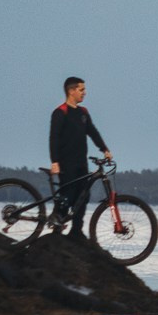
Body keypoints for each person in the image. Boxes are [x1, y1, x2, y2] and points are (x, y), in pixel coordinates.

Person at [49, 76, 111, 226]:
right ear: (71, 91)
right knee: (68, 195)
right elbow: (54, 138)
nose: (85, 93)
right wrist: (55, 162)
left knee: (83, 197)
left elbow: (92, 132)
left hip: (81, 162)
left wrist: (104, 149)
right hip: (65, 163)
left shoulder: (83, 112)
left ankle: (76, 231)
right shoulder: (60, 112)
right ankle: (56, 221)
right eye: (81, 89)